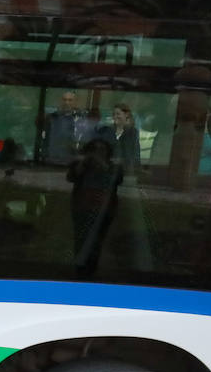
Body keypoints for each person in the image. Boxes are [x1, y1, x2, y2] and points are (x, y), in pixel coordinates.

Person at [68, 137, 123, 277]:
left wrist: (102, 164)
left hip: (104, 209)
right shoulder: (81, 163)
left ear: (108, 152)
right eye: (94, 150)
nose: (97, 153)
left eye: (101, 150)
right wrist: (84, 162)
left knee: (98, 239)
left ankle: (92, 268)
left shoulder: (113, 166)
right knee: (81, 237)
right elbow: (71, 177)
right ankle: (80, 267)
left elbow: (116, 179)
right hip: (82, 206)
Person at [43, 91, 96, 166]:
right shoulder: (52, 118)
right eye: (64, 100)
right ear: (61, 101)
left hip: (75, 162)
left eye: (70, 100)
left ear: (75, 102)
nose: (67, 102)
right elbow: (45, 139)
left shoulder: (82, 119)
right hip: (53, 160)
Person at [99, 104, 142, 174]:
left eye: (118, 114)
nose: (115, 116)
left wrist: (136, 170)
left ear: (126, 115)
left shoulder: (132, 132)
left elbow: (135, 153)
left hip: (125, 170)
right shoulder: (107, 130)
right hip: (107, 170)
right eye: (113, 114)